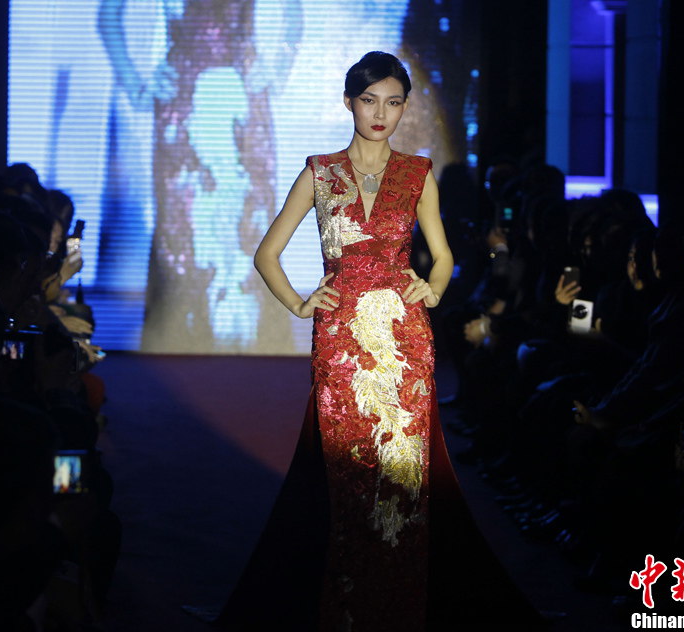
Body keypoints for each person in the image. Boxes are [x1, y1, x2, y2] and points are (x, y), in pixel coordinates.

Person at [215, 51, 543, 631]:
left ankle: (399, 611)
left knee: (404, 485)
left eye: (393, 102)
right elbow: (267, 253)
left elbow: (442, 260)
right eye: (370, 100)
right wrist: (299, 303)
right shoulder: (320, 172)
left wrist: (433, 291)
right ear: (349, 102)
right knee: (347, 480)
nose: (381, 114)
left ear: (403, 108)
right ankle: (344, 609)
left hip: (405, 345)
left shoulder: (417, 174)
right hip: (340, 345)